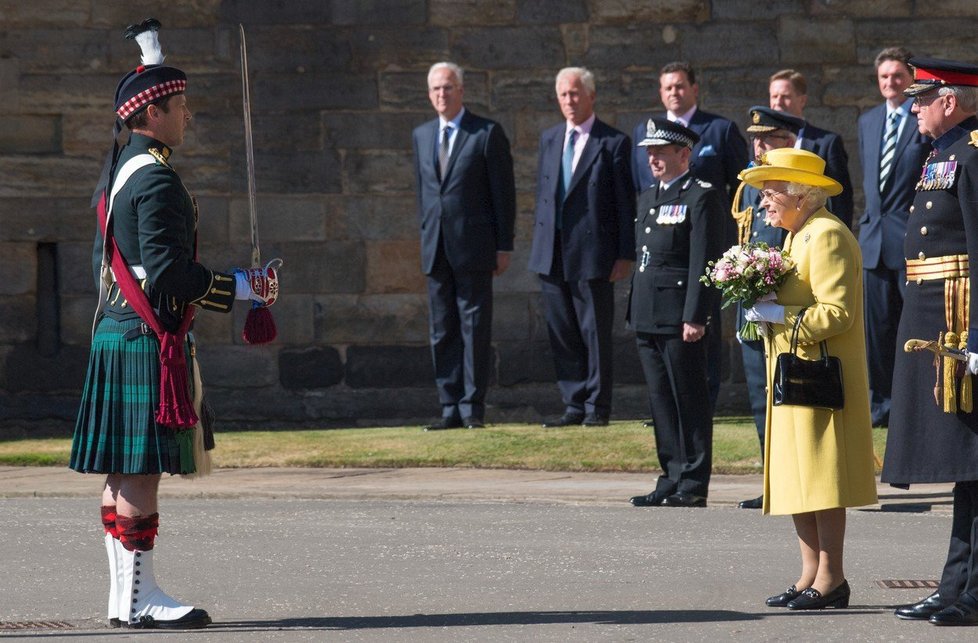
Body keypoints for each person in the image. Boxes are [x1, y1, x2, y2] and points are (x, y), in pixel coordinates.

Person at [70, 20, 277, 629]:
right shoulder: (156, 179)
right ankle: (141, 600)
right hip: (144, 340)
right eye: (180, 105)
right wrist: (243, 287)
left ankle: (125, 598)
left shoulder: (118, 172)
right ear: (152, 113)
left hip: (117, 332)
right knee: (139, 472)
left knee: (120, 474)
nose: (188, 115)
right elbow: (165, 274)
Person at [740, 148, 878, 610]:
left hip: (819, 376)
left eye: (770, 192)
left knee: (821, 477)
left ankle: (832, 576)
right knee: (797, 475)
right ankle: (808, 574)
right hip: (791, 373)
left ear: (799, 193)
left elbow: (837, 313)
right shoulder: (797, 236)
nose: (763, 202)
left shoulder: (827, 236)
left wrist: (779, 314)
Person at [881, 57, 978, 627]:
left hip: (960, 321)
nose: (912, 107)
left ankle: (971, 591)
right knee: (961, 463)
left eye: (921, 98)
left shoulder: (971, 152)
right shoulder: (939, 154)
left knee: (973, 459)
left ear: (950, 100)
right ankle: (953, 584)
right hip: (932, 320)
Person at [631, 61, 749, 411]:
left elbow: (739, 192)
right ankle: (668, 407)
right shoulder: (646, 132)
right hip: (661, 255)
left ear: (694, 89)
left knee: (701, 331)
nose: (674, 92)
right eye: (668, 87)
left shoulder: (719, 130)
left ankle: (703, 401)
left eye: (680, 86)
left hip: (702, 250)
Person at [411, 61, 516, 431]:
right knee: (442, 330)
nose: (442, 94)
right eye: (437, 89)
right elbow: (425, 193)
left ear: (462, 91)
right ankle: (448, 405)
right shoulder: (422, 135)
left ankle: (472, 407)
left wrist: (504, 246)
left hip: (474, 247)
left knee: (474, 327)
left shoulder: (485, 133)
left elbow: (503, 194)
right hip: (435, 247)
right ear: (429, 94)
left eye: (449, 87)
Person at [528, 66, 635, 427]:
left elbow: (624, 203)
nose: (569, 101)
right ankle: (573, 403)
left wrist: (625, 253)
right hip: (552, 251)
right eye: (563, 95)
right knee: (562, 330)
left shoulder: (612, 142)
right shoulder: (550, 138)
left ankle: (597, 407)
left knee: (594, 332)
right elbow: (544, 195)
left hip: (594, 254)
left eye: (575, 94)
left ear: (591, 96)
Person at [627, 118, 724, 508]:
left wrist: (696, 316)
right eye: (649, 151)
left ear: (684, 154)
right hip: (648, 312)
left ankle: (693, 480)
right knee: (660, 399)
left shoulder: (700, 196)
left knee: (689, 398)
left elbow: (705, 258)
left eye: (661, 151)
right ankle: (670, 474)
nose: (653, 158)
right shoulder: (648, 196)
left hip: (680, 313)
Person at [731, 106, 805, 510]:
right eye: (756, 139)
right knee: (761, 396)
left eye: (769, 138)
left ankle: (792, 476)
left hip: (784, 306)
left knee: (787, 392)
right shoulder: (752, 186)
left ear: (788, 140)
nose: (760, 146)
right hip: (753, 305)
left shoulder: (797, 185)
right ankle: (771, 477)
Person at [856, 47, 931, 429]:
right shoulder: (868, 122)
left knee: (914, 330)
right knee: (877, 333)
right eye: (884, 77)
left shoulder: (921, 118)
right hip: (872, 244)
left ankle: (914, 405)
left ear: (910, 78)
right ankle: (881, 408)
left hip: (909, 242)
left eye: (897, 76)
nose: (891, 83)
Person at [769, 69, 854, 229]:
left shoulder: (827, 143)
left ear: (802, 100)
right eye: (774, 96)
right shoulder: (765, 143)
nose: (778, 102)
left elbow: (841, 200)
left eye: (785, 96)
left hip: (814, 232)